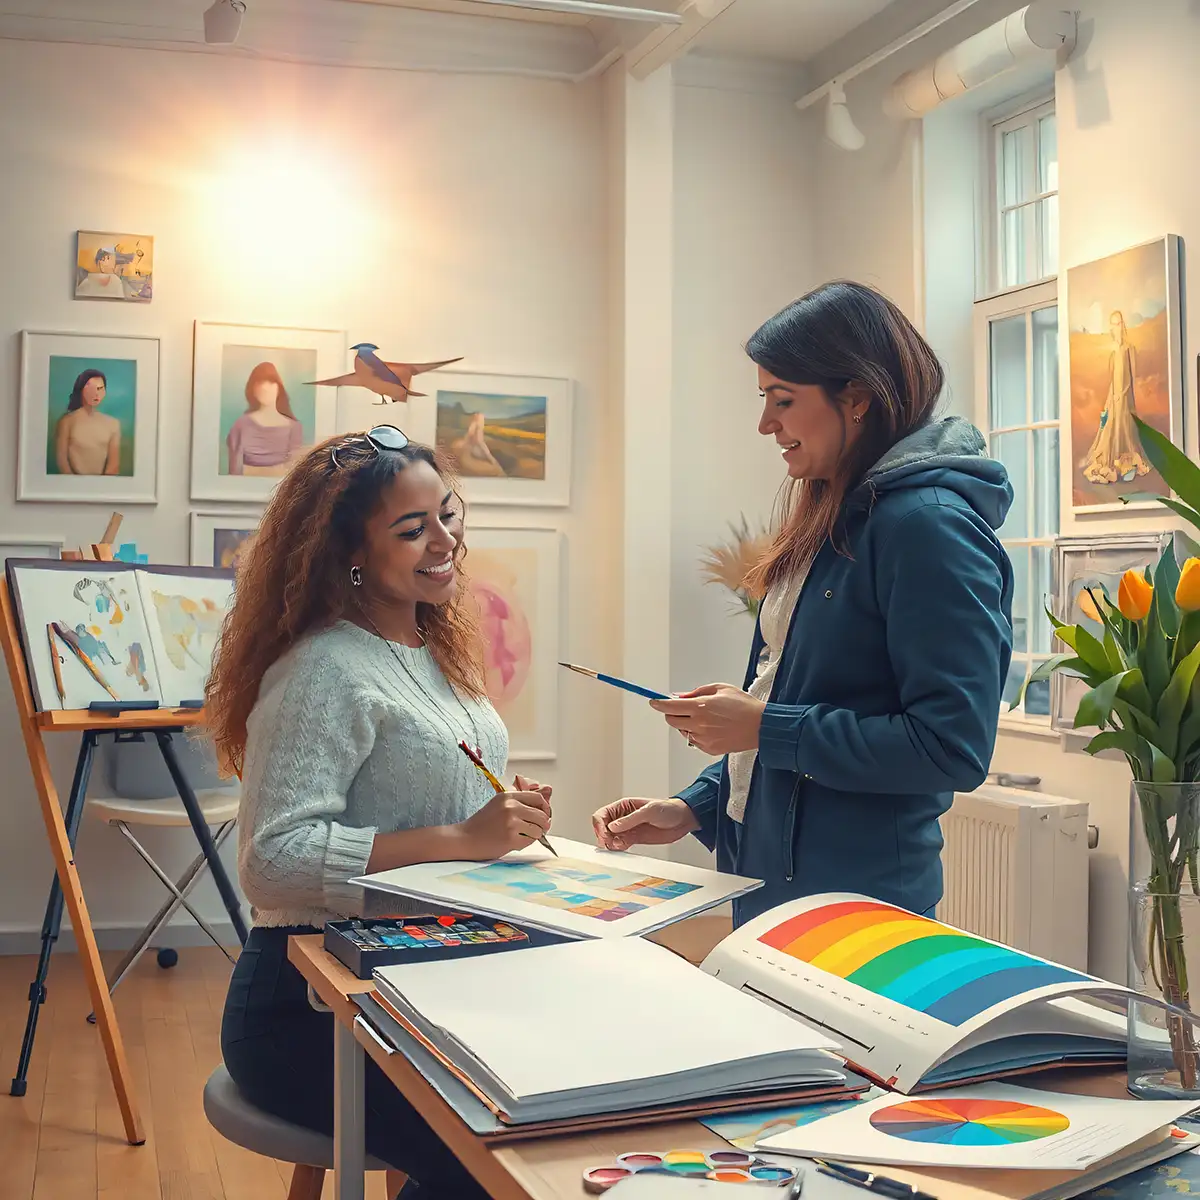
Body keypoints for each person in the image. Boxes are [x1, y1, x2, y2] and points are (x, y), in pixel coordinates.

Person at [592, 281, 1014, 926]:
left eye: (782, 400)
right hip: (765, 879)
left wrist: (761, 725)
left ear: (858, 398)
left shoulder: (926, 527)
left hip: (855, 905)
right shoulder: (835, 516)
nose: (766, 424)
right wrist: (695, 806)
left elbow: (949, 747)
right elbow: (796, 701)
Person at [206, 425, 553, 1200]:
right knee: (494, 1150)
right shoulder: (322, 670)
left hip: (416, 978)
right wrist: (461, 836)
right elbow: (272, 857)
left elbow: (434, 805)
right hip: (309, 1005)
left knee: (563, 1101)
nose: (446, 542)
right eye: (413, 528)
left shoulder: (432, 655)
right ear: (351, 553)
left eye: (449, 515)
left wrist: (500, 819)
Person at [1081, 309, 1151, 485]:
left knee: (1126, 427)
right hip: (1114, 396)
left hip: (1126, 395)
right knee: (1110, 427)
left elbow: (1132, 374)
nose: (1116, 327)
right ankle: (1112, 461)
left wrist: (1124, 393)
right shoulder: (1113, 350)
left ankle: (1127, 461)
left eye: (1118, 323)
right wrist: (1113, 396)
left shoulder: (1129, 348)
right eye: (1113, 324)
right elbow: (1112, 376)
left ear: (1123, 325)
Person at [225, 361, 304, 476]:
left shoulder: (294, 427)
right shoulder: (241, 425)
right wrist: (275, 470)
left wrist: (250, 470)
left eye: (271, 382)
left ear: (279, 388)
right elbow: (234, 473)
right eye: (260, 383)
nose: (265, 388)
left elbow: (293, 475)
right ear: (253, 390)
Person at [54, 368, 121, 475]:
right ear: (80, 390)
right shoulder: (67, 421)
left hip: (102, 488)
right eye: (91, 389)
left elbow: (114, 465)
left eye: (100, 389)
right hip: (72, 487)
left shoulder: (113, 423)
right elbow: (62, 460)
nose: (96, 394)